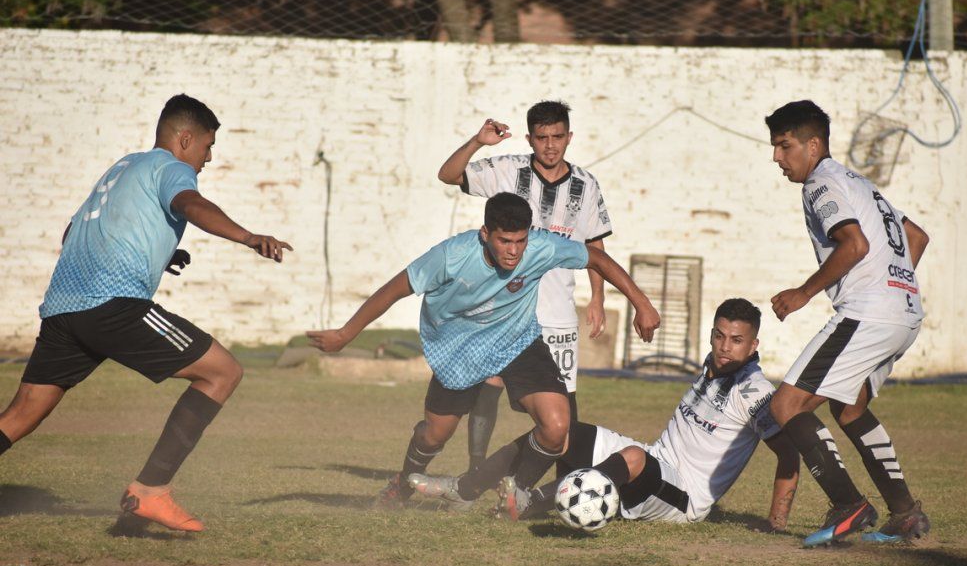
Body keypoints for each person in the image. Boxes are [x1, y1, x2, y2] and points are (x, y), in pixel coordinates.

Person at [0, 94, 293, 533]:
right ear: (186, 139)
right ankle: (151, 490)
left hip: (63, 308)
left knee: (22, 413)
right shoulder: (171, 168)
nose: (208, 159)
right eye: (208, 146)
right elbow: (191, 205)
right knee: (222, 372)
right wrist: (249, 237)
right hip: (112, 304)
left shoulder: (123, 168)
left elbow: (74, 230)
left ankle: (151, 492)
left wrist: (156, 253)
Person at [306, 192, 659, 508]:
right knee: (434, 434)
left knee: (556, 426)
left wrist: (641, 304)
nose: (514, 251)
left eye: (520, 241)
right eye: (504, 241)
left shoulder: (541, 248)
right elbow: (394, 289)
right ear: (485, 233)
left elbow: (596, 258)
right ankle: (402, 483)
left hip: (517, 341)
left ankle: (516, 494)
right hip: (458, 349)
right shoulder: (452, 256)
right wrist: (346, 333)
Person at [411, 298, 800, 531]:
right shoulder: (713, 364)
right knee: (563, 432)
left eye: (736, 340)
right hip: (657, 460)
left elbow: (788, 454)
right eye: (719, 336)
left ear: (754, 345)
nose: (725, 347)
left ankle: (532, 501)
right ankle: (465, 488)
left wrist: (775, 522)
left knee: (633, 458)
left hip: (686, 498)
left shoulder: (755, 393)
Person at [764, 100, 930, 547]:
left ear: (813, 145)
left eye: (784, 146)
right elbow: (917, 237)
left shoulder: (820, 183)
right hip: (904, 313)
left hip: (869, 313)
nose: (777, 157)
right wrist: (894, 286)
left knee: (786, 406)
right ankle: (905, 514)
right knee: (850, 408)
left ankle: (849, 504)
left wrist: (803, 293)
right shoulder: (861, 183)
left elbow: (853, 244)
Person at [437, 101, 612, 473]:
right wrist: (477, 142)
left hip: (557, 314)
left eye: (557, 137)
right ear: (530, 138)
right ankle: (476, 470)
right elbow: (448, 175)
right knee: (490, 383)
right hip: (506, 310)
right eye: (542, 137)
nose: (550, 145)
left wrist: (597, 297)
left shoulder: (586, 185)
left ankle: (561, 486)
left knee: (563, 410)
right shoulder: (507, 170)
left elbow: (594, 245)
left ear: (569, 137)